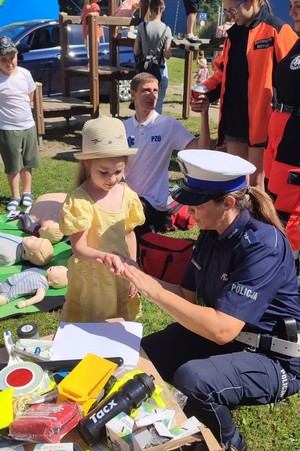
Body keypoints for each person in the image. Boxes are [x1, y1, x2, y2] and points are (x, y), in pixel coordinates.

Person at [104, 149, 300, 451]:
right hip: (234, 339)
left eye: (195, 203)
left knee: (195, 378)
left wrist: (151, 288)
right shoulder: (212, 232)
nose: (187, 209)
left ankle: (228, 445)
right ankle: (187, 424)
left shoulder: (264, 245)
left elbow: (222, 330)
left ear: (229, 203)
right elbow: (186, 296)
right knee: (144, 356)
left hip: (277, 357)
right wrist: (135, 274)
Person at [202, 0, 298, 190]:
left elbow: (293, 73)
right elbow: (223, 72)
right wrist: (205, 90)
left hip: (261, 122)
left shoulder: (277, 30)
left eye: (233, 10)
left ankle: (259, 219)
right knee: (235, 181)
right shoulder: (233, 34)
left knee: (256, 184)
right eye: (226, 11)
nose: (230, 15)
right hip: (234, 118)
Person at [59, 116, 145, 323]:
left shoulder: (127, 195)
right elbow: (79, 249)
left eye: (118, 172)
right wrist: (106, 258)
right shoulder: (80, 200)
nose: (112, 178)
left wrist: (132, 267)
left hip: (120, 272)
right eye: (104, 172)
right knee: (94, 325)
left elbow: (129, 234)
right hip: (93, 277)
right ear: (87, 164)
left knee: (120, 322)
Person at [124, 72, 210, 237]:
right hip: (127, 198)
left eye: (155, 90)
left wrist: (204, 115)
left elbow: (201, 148)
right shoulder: (124, 127)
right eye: (146, 90)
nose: (152, 95)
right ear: (133, 94)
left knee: (128, 227)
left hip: (153, 203)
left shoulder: (167, 125)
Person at [264, 0, 300, 274]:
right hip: (280, 133)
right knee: (273, 202)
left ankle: (286, 269)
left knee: (289, 213)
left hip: (295, 140)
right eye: (291, 5)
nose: (292, 12)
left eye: (298, 5)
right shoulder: (296, 43)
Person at [0, 35, 39, 212]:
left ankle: (27, 192)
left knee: (27, 162)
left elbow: (30, 94)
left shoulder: (25, 74)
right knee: (13, 165)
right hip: (8, 129)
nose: (9, 63)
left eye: (12, 58)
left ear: (17, 56)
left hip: (28, 126)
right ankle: (15, 195)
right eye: (3, 59)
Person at [134, 0, 172, 114]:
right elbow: (168, 55)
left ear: (150, 8)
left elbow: (136, 51)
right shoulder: (167, 29)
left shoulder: (142, 26)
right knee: (158, 101)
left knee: (142, 102)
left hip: (144, 70)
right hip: (159, 69)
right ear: (163, 8)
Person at [0, 266, 68, 308]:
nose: (54, 267)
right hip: (6, 283)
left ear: (57, 281)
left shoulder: (42, 286)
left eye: (57, 269)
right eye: (57, 266)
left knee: (2, 299)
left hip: (9, 293)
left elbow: (39, 297)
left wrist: (25, 303)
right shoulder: (38, 273)